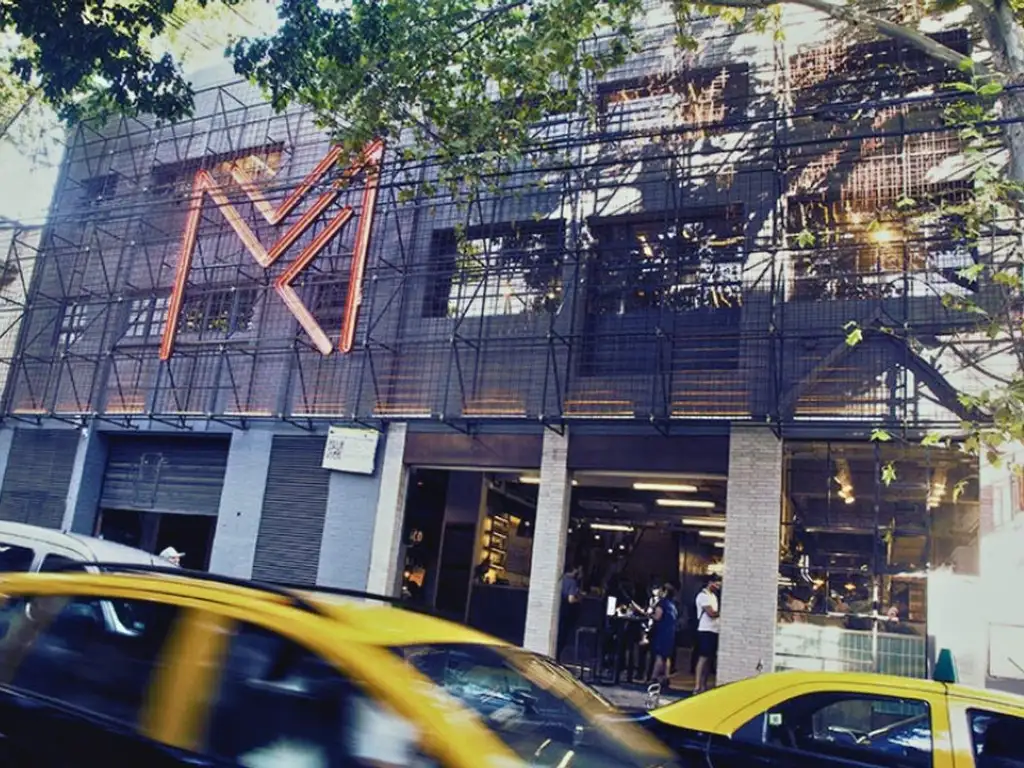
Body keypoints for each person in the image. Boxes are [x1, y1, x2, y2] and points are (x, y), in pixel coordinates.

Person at [693, 575, 721, 694]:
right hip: (705, 630)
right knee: (703, 657)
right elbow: (711, 613)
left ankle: (704, 685)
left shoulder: (713, 596)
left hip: (714, 630)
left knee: (709, 659)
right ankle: (697, 685)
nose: (718, 587)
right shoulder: (703, 596)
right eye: (716, 584)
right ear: (710, 582)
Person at [649, 583, 678, 689]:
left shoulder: (662, 603)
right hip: (671, 632)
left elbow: (657, 617)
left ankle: (654, 677)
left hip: (662, 631)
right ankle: (666, 677)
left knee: (659, 655)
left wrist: (649, 615)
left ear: (665, 592)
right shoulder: (672, 604)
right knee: (667, 656)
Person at [557, 564, 582, 662]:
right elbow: (571, 599)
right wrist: (579, 599)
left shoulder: (559, 579)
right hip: (566, 612)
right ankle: (558, 657)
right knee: (563, 637)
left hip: (558, 611)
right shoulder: (572, 582)